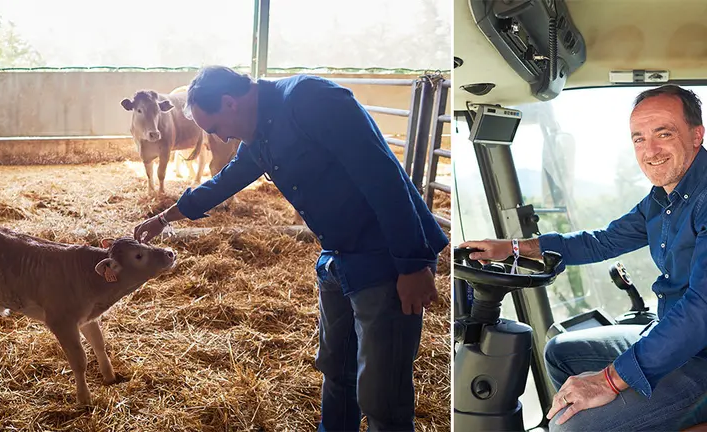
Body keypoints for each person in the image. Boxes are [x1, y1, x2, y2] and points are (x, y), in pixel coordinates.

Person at [132, 66, 449, 431]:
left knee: (382, 395)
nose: (219, 136)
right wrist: (165, 217)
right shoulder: (259, 133)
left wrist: (411, 264)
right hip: (336, 256)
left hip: (384, 259)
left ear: (229, 103)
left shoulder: (311, 100)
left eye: (215, 127)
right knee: (335, 369)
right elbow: (226, 180)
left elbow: (382, 175)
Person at [460, 84, 707, 431]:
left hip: (700, 357)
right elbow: (600, 242)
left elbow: (701, 312)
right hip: (668, 333)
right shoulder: (662, 199)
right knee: (560, 351)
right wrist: (515, 248)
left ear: (697, 135)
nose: (650, 151)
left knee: (572, 427)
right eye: (638, 138)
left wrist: (607, 381)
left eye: (663, 134)